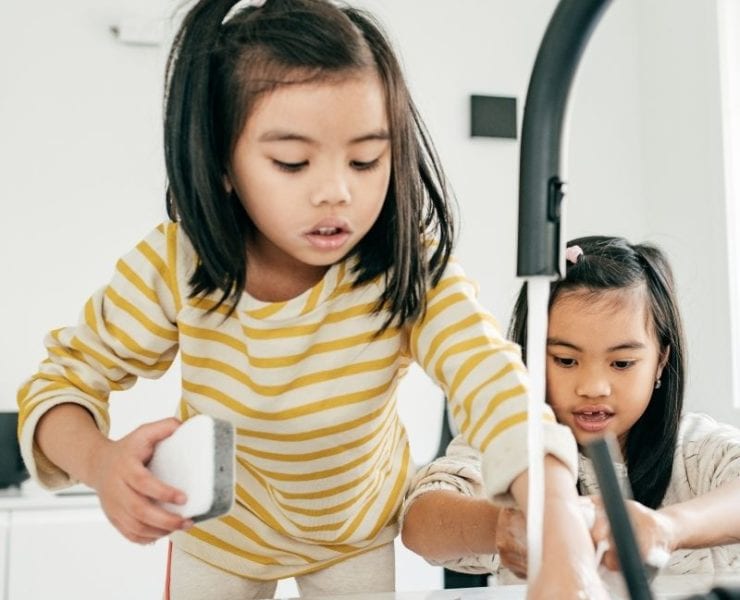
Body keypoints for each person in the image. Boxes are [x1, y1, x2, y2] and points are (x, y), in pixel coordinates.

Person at [16, 1, 608, 598]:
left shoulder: (407, 266)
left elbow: (491, 377)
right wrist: (99, 463)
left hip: (352, 534)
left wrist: (555, 511)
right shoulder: (177, 264)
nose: (337, 192)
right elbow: (59, 386)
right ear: (223, 162)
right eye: (292, 163)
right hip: (220, 541)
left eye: (366, 159)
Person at [401, 235, 740, 583]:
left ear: (660, 362)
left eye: (622, 363)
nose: (593, 387)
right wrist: (506, 524)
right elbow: (419, 522)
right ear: (530, 357)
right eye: (565, 360)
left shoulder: (698, 454)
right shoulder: (514, 450)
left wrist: (667, 528)